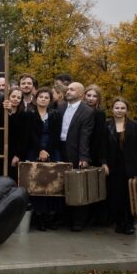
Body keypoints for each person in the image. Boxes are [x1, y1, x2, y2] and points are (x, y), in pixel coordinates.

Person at [104, 98, 137, 235]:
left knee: (131, 195)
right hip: (113, 167)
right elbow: (102, 147)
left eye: (122, 108)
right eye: (117, 108)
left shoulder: (136, 126)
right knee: (116, 195)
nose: (119, 110)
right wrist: (104, 163)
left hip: (132, 166)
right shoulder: (106, 125)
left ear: (127, 110)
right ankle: (119, 222)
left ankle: (130, 223)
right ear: (112, 109)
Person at [25, 87, 63, 231]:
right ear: (36, 99)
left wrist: (47, 151)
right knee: (37, 183)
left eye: (46, 97)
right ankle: (38, 216)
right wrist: (40, 150)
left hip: (52, 151)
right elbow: (30, 134)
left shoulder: (55, 115)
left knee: (53, 184)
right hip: (34, 151)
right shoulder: (30, 114)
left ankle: (50, 217)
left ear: (50, 100)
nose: (43, 99)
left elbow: (56, 135)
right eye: (41, 97)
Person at [59, 82, 95, 232]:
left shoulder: (87, 111)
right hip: (59, 150)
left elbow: (85, 136)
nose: (68, 91)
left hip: (75, 153)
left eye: (72, 89)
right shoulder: (60, 107)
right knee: (61, 185)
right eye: (68, 89)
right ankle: (63, 218)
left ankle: (78, 221)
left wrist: (84, 157)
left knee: (77, 186)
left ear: (81, 94)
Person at [84, 84, 109, 225]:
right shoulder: (80, 111)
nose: (91, 98)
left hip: (94, 154)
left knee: (93, 186)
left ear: (98, 99)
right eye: (89, 95)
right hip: (82, 152)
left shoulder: (99, 114)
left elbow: (100, 138)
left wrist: (99, 159)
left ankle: (94, 218)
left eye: (94, 96)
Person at [2, 88, 29, 181]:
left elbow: (24, 137)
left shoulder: (24, 115)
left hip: (16, 151)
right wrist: (9, 112)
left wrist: (17, 155)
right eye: (13, 96)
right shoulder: (1, 112)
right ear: (8, 97)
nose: (15, 99)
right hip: (2, 150)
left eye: (18, 97)